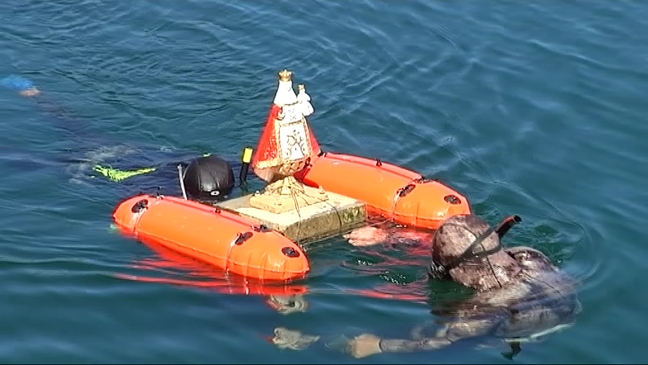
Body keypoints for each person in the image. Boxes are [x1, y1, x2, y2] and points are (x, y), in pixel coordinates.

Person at [272, 214, 581, 359]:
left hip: (538, 339)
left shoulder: (479, 313)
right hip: (566, 311)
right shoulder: (529, 255)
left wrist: (378, 346)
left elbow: (436, 343)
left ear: (456, 269)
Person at [1, 75, 238, 201]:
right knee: (35, 161)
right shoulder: (160, 192)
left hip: (128, 151)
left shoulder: (208, 168)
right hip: (94, 164)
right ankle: (33, 93)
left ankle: (34, 93)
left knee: (72, 126)